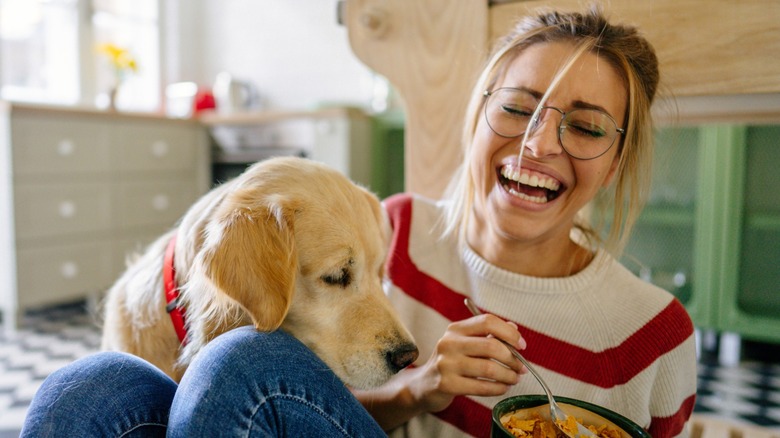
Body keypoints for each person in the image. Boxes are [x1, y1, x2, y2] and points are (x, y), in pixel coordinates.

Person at [21, 6, 697, 438]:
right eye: (518, 108)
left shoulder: (655, 337)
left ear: (618, 159)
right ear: (478, 115)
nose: (539, 144)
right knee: (87, 390)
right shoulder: (389, 229)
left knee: (239, 362)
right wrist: (418, 390)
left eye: (586, 127)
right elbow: (301, 407)